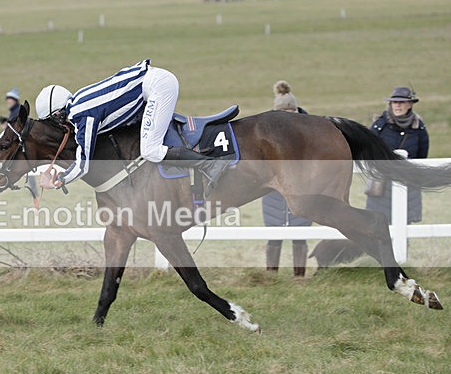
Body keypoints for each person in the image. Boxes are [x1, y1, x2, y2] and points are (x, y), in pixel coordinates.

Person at [35, 59, 232, 197]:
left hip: (157, 87)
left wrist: (59, 179)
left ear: (58, 114)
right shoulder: (78, 100)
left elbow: (83, 164)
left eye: (54, 121)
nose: (59, 126)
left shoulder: (80, 115)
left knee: (150, 150)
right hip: (154, 81)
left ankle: (211, 165)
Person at [262, 80, 311, 276]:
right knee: (274, 234)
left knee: (300, 235)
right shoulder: (264, 133)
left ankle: (299, 277)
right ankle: (271, 275)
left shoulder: (310, 132)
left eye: (291, 113)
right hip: (274, 191)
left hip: (302, 190)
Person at [365, 86, 429, 223]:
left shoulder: (419, 128)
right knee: (380, 227)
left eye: (402, 102)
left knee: (404, 225)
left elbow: (422, 157)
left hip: (408, 182)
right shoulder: (379, 126)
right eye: (395, 102)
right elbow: (368, 151)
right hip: (381, 184)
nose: (397, 105)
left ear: (410, 104)